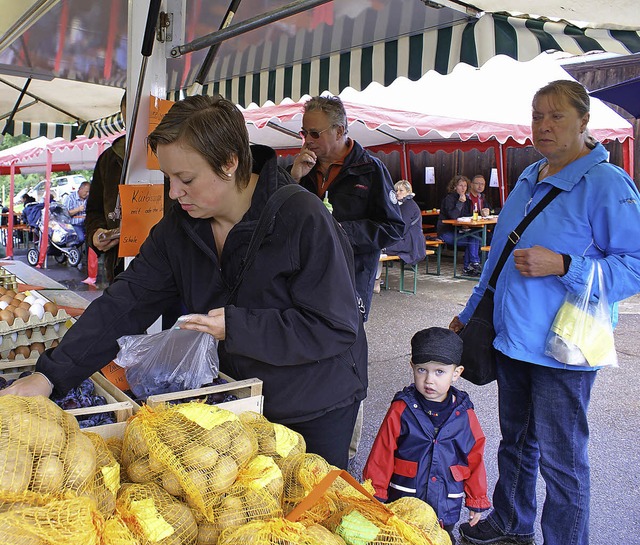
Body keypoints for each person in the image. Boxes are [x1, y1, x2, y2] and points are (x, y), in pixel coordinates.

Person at [0, 95, 367, 470]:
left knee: (305, 514)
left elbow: (334, 326)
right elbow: (127, 301)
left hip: (312, 405)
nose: (174, 192)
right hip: (234, 401)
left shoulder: (302, 218)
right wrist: (50, 375)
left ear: (229, 163)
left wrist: (236, 327)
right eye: (169, 178)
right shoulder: (180, 227)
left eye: (186, 179)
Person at [451, 80, 640, 545]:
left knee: (562, 460)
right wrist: (471, 310)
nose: (544, 125)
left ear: (583, 121)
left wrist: (566, 266)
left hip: (564, 348)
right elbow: (496, 258)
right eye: (537, 115)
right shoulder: (530, 176)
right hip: (513, 338)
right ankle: (512, 525)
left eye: (556, 115)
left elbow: (634, 266)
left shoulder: (607, 184)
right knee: (514, 443)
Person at [363, 327, 490, 543]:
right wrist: (375, 494)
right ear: (412, 367)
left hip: (445, 507)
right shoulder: (401, 409)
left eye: (439, 372)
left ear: (456, 373)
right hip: (404, 500)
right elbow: (382, 453)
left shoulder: (465, 415)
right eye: (422, 370)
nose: (429, 380)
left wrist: (476, 499)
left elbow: (475, 457)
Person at [288, 95, 404, 321]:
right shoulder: (300, 167)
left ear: (339, 131)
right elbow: (275, 212)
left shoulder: (370, 169)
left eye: (314, 133)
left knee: (345, 341)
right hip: (303, 274)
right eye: (304, 133)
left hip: (351, 276)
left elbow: (393, 227)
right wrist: (293, 177)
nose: (307, 140)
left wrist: (342, 232)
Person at [85, 91, 126, 285]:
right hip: (119, 267)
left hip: (171, 271)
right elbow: (93, 211)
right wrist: (95, 234)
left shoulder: (175, 156)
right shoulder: (108, 160)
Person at [374, 180, 426, 293]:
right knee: (378, 247)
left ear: (408, 192)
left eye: (401, 190)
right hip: (406, 240)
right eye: (396, 190)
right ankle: (376, 280)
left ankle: (376, 281)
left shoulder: (409, 206)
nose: (398, 193)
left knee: (379, 248)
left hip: (411, 243)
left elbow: (401, 228)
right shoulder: (403, 205)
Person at [437, 175, 481, 276]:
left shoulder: (467, 200)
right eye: (460, 185)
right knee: (472, 240)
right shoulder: (449, 199)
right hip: (446, 231)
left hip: (459, 230)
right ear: (454, 187)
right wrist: (460, 203)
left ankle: (471, 266)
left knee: (475, 236)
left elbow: (467, 216)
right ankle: (473, 265)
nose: (463, 188)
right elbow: (453, 216)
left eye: (465, 186)